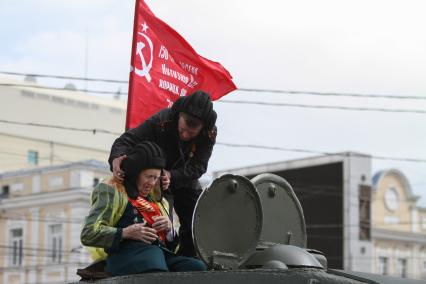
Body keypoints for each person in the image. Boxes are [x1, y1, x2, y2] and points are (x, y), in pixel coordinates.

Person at [109, 91, 217, 257]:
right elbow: (126, 140)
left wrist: (172, 175)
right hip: (156, 180)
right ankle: (163, 255)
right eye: (182, 130)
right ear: (179, 115)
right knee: (161, 221)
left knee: (198, 220)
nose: (186, 135)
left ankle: (188, 260)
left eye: (191, 133)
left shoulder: (209, 134)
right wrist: (117, 157)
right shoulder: (162, 121)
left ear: (203, 127)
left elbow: (199, 166)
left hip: (185, 178)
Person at [81, 141, 206, 276]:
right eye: (148, 177)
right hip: (125, 257)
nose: (152, 183)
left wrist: (169, 229)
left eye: (156, 178)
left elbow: (171, 247)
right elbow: (88, 233)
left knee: (196, 266)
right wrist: (125, 232)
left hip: (158, 256)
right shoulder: (113, 191)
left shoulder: (158, 201)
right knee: (153, 257)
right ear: (135, 173)